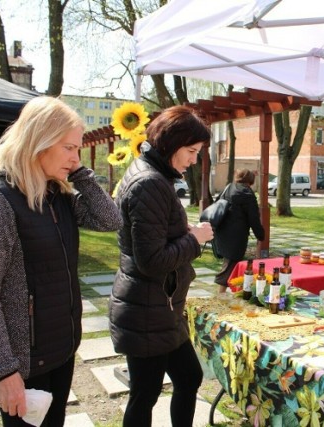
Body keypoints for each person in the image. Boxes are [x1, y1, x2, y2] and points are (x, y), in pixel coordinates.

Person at [0, 96, 122, 426]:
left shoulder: (57, 195)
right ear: (40, 140)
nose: (74, 157)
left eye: (77, 149)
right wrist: (3, 371)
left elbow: (110, 220)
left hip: (61, 350)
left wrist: (79, 173)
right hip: (22, 364)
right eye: (68, 148)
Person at [109, 105, 214, 427]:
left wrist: (183, 233)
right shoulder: (149, 183)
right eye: (191, 151)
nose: (194, 160)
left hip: (159, 308)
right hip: (146, 310)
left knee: (188, 377)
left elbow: (152, 238)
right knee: (145, 393)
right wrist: (195, 240)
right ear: (171, 143)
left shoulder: (153, 175)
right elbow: (152, 260)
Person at [213, 169, 265, 293]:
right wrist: (260, 235)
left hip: (222, 231)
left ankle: (239, 290)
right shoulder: (247, 194)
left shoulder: (229, 187)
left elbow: (217, 203)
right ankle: (220, 295)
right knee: (231, 263)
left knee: (232, 262)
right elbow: (254, 218)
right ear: (251, 181)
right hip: (236, 236)